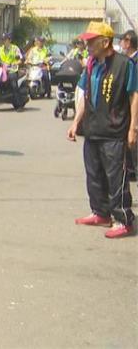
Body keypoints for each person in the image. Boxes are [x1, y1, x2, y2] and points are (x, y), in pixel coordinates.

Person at [66, 21, 138, 239]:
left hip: (115, 131)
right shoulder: (90, 64)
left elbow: (134, 95)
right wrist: (76, 121)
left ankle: (123, 219)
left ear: (105, 42)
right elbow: (85, 95)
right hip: (93, 129)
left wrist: (133, 127)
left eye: (91, 41)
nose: (87, 45)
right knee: (94, 175)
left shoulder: (124, 64)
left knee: (116, 178)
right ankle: (101, 212)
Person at [120, 30, 137, 182]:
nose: (120, 44)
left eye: (122, 41)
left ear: (128, 42)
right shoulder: (127, 60)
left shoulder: (134, 62)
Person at [0, 32, 23, 103]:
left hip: (12, 70)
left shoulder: (15, 48)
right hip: (1, 70)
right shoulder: (0, 49)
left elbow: (20, 60)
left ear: (10, 40)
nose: (4, 41)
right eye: (3, 39)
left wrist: (14, 63)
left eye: (5, 39)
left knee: (14, 84)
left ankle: (18, 103)